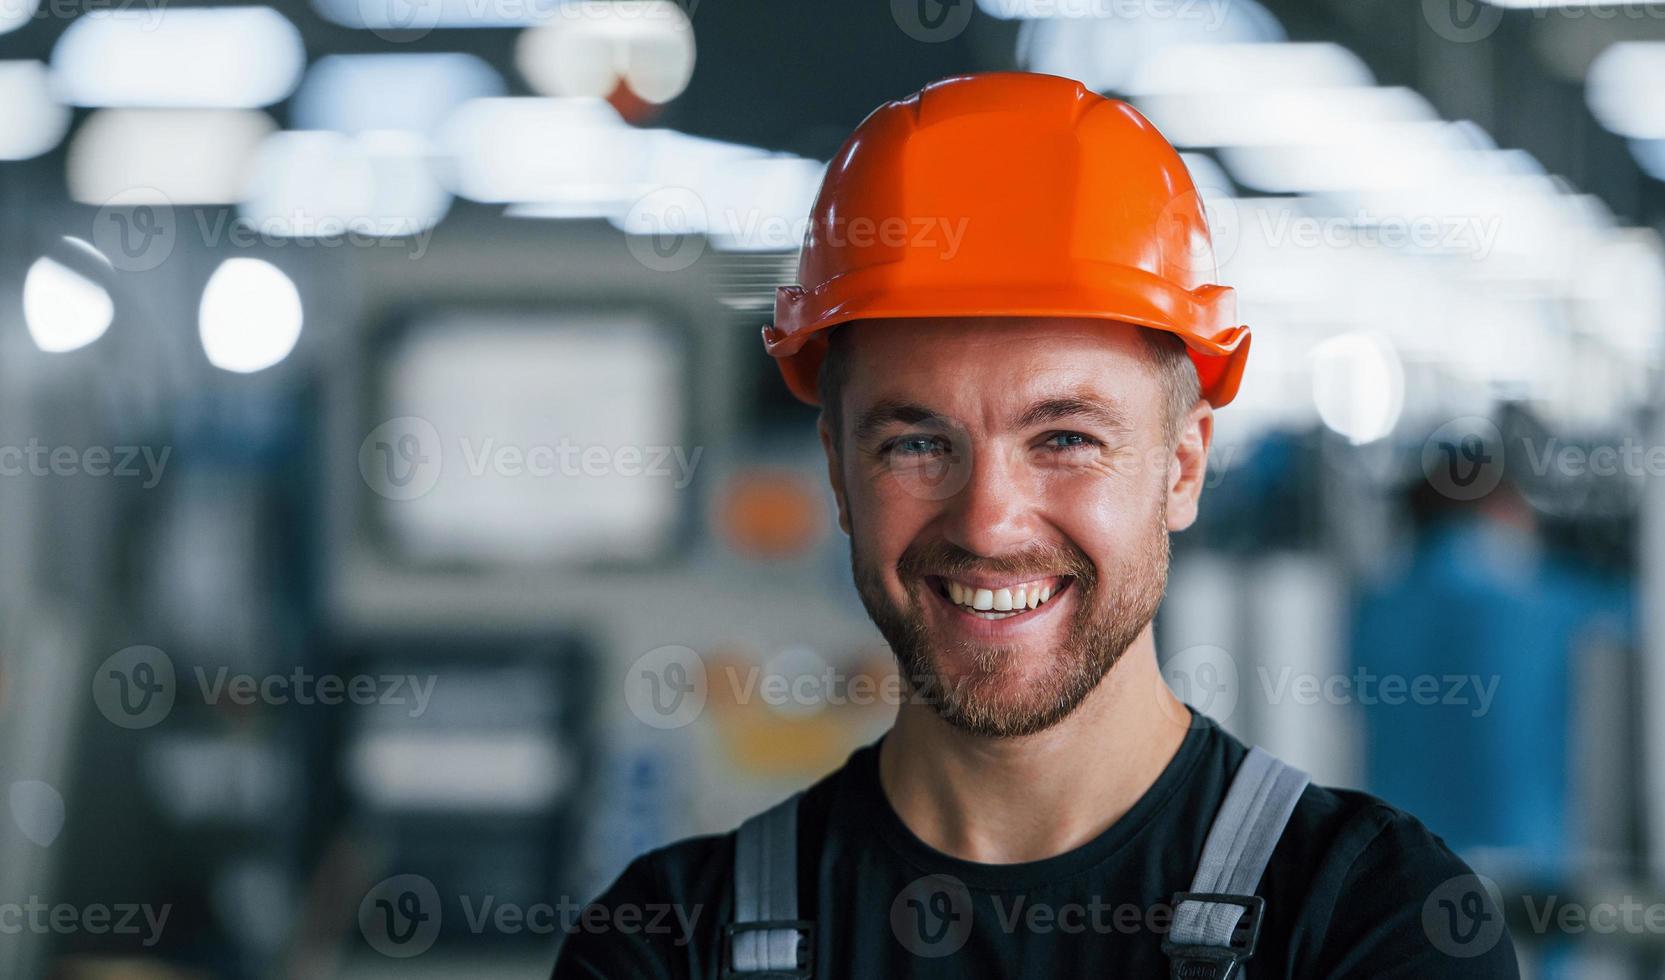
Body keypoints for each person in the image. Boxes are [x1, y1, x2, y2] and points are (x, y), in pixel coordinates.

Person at [552, 72, 1519, 978]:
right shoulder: (665, 946)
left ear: (1181, 468)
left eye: (1062, 437)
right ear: (839, 477)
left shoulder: (1371, 926)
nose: (988, 521)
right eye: (916, 444)